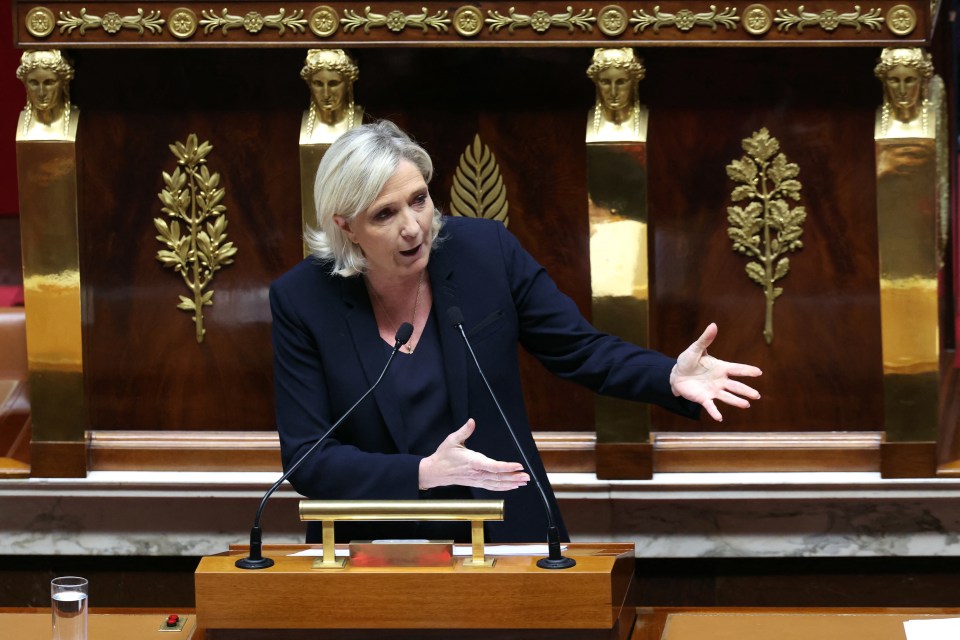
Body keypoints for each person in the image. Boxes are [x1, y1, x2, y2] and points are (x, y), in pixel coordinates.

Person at [271, 120, 762, 544]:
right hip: (369, 543)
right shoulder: (302, 300)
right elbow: (308, 459)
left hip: (504, 526)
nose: (414, 227)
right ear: (346, 227)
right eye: (385, 214)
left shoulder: (485, 253)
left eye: (419, 200)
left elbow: (578, 349)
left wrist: (667, 376)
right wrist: (423, 473)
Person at [299, 48, 363, 144]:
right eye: (318, 84)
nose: (326, 94)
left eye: (333, 83)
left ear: (349, 83)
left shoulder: (359, 118)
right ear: (309, 84)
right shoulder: (305, 124)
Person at [585, 47, 647, 143]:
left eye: (621, 82)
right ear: (596, 82)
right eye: (605, 82)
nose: (613, 92)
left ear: (634, 81)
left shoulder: (646, 118)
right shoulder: (586, 120)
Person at [15, 49, 77, 142]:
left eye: (49, 83)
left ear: (64, 82)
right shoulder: (23, 125)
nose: (41, 93)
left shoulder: (74, 120)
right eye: (34, 83)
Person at [874, 47, 935, 139]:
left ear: (922, 82)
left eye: (909, 80)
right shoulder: (880, 121)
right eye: (894, 80)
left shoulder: (932, 117)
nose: (902, 91)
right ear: (885, 83)